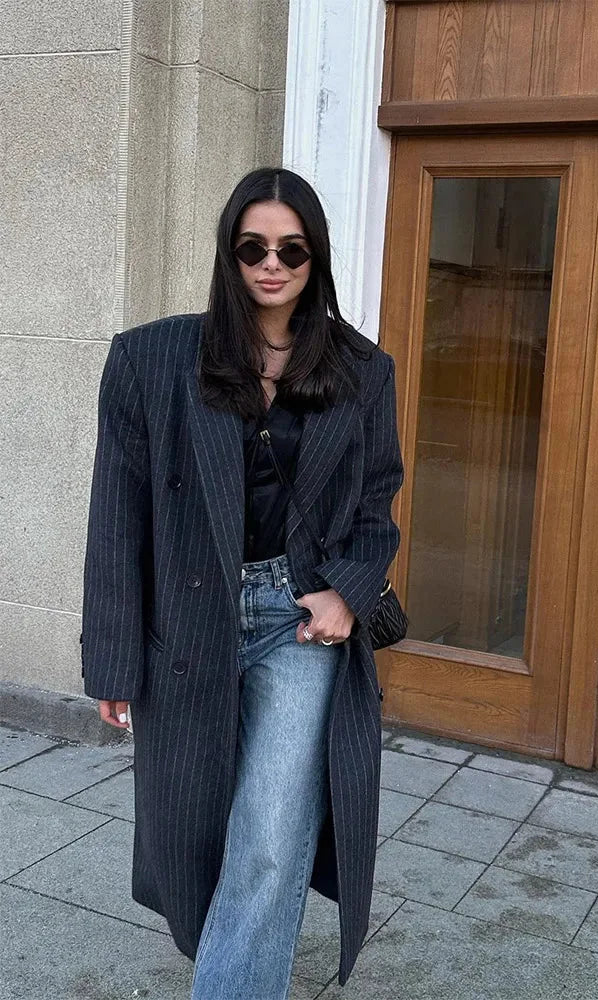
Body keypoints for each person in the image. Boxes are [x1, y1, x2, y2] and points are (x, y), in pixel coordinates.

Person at [79, 167, 404, 999]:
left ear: (314, 258)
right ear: (229, 253)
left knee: (270, 837)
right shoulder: (151, 359)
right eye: (252, 247)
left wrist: (347, 591)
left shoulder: (363, 371)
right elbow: (117, 518)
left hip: (298, 622)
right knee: (187, 829)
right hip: (190, 619)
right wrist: (113, 660)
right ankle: (231, 954)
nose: (271, 265)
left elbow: (376, 503)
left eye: (291, 251)